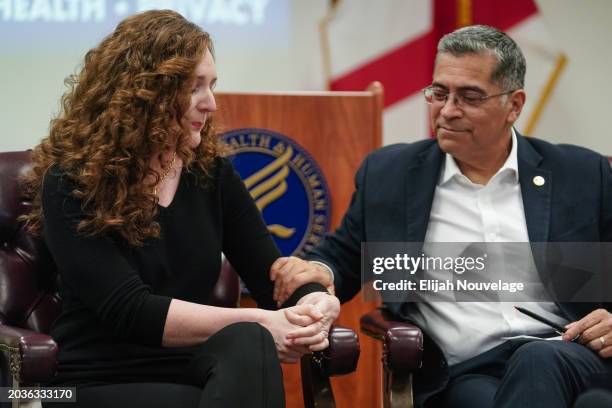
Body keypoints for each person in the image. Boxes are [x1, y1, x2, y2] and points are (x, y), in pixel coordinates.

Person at [270, 25, 612, 408]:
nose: (447, 111)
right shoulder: (393, 176)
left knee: (541, 362)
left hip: (572, 355)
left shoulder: (582, 174)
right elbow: (341, 258)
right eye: (438, 93)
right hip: (469, 373)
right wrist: (318, 273)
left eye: (469, 96)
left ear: (514, 105)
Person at [20, 9, 340, 408]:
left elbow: (270, 276)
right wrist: (262, 321)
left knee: (248, 343)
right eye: (194, 87)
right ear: (143, 94)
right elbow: (132, 310)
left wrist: (315, 302)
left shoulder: (211, 174)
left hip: (194, 371)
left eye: (212, 85)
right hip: (94, 379)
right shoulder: (71, 180)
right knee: (251, 337)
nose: (210, 103)